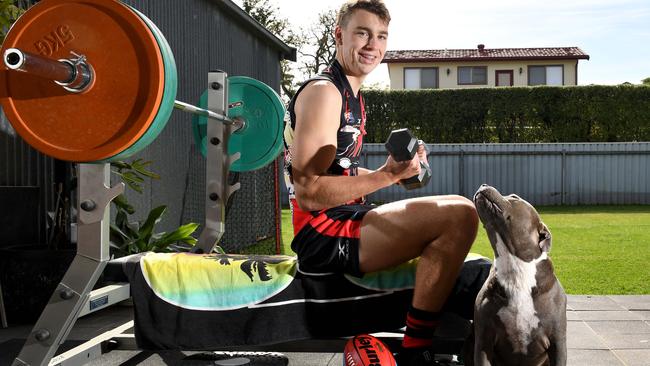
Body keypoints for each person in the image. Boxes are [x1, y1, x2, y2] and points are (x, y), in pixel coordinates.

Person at [283, 1, 479, 364]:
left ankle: (423, 344)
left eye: (381, 36)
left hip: (345, 218)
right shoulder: (325, 93)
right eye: (362, 33)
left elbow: (338, 176)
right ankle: (415, 353)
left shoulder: (352, 95)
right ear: (339, 36)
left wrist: (395, 171)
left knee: (451, 217)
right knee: (460, 214)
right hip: (321, 235)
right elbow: (309, 192)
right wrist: (385, 176)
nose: (373, 45)